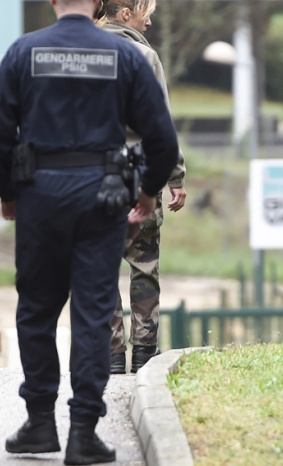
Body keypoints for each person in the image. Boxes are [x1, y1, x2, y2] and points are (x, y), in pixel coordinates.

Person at [0, 0, 179, 463]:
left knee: (36, 311)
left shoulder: (23, 53)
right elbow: (162, 138)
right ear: (100, 3)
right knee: (92, 312)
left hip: (39, 198)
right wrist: (148, 193)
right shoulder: (125, 56)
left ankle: (40, 424)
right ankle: (84, 432)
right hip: (102, 199)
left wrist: (8, 193)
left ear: (52, 1)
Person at [93, 0, 187, 375]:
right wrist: (175, 177)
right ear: (125, 13)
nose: (150, 20)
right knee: (144, 268)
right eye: (145, 11)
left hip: (95, 176)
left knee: (100, 267)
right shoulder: (144, 56)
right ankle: (145, 353)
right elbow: (161, 123)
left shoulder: (86, 48)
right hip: (140, 177)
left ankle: (112, 356)